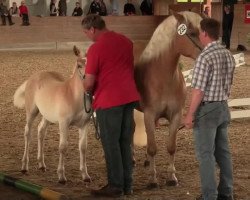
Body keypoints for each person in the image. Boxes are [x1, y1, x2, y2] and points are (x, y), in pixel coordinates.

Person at [81, 14, 140, 198]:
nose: (87, 36)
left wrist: (84, 86)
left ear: (92, 29)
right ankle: (127, 184)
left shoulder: (95, 49)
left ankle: (115, 185)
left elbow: (89, 83)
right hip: (128, 97)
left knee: (111, 143)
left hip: (108, 100)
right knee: (124, 142)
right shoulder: (126, 41)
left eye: (86, 33)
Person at [184, 18, 235, 200]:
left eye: (199, 32)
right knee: (223, 153)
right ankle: (226, 192)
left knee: (206, 155)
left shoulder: (204, 57)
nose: (199, 35)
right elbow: (229, 83)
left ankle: (209, 195)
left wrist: (190, 114)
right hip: (222, 106)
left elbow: (198, 91)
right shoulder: (227, 53)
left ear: (204, 33)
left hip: (207, 111)